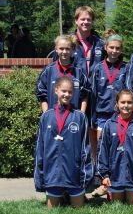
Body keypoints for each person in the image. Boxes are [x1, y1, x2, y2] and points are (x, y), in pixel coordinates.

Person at [34, 76, 93, 209]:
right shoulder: (46, 116)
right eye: (63, 91)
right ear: (56, 90)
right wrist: (40, 176)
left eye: (70, 92)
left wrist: (86, 174)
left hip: (74, 174)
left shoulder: (80, 117)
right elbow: (40, 148)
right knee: (52, 210)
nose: (66, 94)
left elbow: (86, 148)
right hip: (52, 175)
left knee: (79, 210)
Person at [90, 30, 127, 197]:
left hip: (121, 116)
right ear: (105, 48)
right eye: (111, 47)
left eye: (117, 48)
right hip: (103, 116)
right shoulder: (97, 68)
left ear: (121, 50)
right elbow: (93, 94)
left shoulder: (127, 68)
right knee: (103, 150)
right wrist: (92, 117)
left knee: (120, 149)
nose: (114, 51)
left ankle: (120, 182)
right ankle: (103, 182)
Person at [97, 89, 133, 204]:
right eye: (123, 102)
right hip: (114, 177)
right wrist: (104, 175)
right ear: (117, 104)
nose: (126, 105)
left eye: (129, 102)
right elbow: (102, 151)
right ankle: (112, 192)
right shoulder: (109, 124)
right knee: (117, 206)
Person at [36, 35, 90, 113]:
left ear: (72, 50)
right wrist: (46, 115)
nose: (64, 52)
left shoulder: (79, 72)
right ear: (56, 49)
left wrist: (81, 114)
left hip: (73, 119)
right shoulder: (48, 70)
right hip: (53, 118)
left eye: (67, 49)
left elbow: (85, 94)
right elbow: (41, 94)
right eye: (61, 48)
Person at [53, 6, 105, 76]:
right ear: (76, 21)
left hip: (95, 86)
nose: (86, 22)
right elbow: (55, 67)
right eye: (82, 19)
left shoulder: (100, 44)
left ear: (92, 21)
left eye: (88, 19)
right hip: (73, 84)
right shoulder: (66, 43)